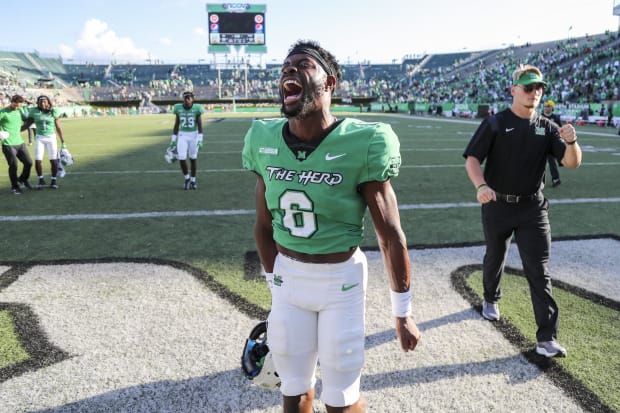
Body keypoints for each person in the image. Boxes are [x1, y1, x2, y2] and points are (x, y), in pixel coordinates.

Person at [242, 40, 421, 413]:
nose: (289, 70)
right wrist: (275, 283)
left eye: (303, 65)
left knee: (341, 392)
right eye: (285, 66)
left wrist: (402, 312)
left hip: (341, 280)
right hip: (288, 278)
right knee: (293, 388)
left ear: (329, 83)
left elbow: (390, 237)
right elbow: (263, 225)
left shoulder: (365, 141)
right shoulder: (263, 138)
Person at [463, 64, 582, 358]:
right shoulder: (495, 122)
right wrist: (480, 186)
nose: (535, 93)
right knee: (495, 257)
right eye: (528, 88)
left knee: (539, 271)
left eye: (539, 88)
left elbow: (572, 163)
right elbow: (473, 159)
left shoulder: (546, 126)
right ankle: (491, 298)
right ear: (514, 90)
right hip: (497, 204)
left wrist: (572, 141)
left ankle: (547, 338)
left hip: (533, 207)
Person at [22, 95, 66, 189]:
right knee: (38, 160)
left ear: (48, 102)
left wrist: (63, 141)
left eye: (44, 101)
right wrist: (17, 130)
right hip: (39, 138)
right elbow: (27, 124)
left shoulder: (53, 111)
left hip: (51, 138)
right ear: (38, 103)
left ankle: (53, 180)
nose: (42, 103)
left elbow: (58, 127)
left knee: (53, 160)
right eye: (40, 102)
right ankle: (41, 179)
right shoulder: (34, 111)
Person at [168, 91, 204, 190]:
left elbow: (200, 125)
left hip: (194, 135)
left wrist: (200, 139)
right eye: (185, 98)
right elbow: (176, 125)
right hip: (183, 135)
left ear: (192, 99)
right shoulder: (178, 108)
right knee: (181, 157)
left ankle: (193, 180)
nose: (187, 100)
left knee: (193, 158)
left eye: (189, 98)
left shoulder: (197, 108)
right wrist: (173, 139)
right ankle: (187, 178)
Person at [0, 94, 32, 194]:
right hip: (8, 144)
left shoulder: (20, 110)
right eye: (15, 105)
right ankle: (15, 187)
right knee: (14, 165)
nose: (17, 107)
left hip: (20, 142)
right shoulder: (3, 112)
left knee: (29, 162)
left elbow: (27, 120)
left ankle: (22, 179)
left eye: (19, 105)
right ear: (11, 102)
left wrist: (26, 107)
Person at [541, 100, 562, 187]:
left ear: (552, 108)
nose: (546, 108)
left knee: (552, 162)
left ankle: (555, 179)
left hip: (551, 144)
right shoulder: (540, 117)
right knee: (539, 164)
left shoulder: (556, 117)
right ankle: (540, 182)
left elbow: (560, 130)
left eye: (548, 106)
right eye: (545, 106)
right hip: (540, 143)